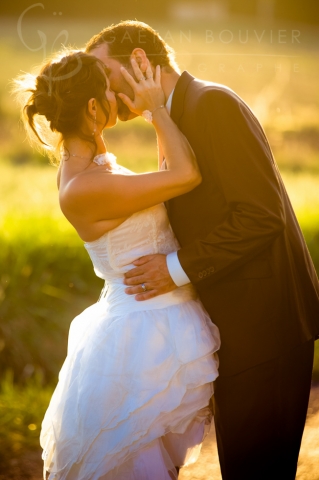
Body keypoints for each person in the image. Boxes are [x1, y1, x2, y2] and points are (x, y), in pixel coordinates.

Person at [86, 21, 319, 480]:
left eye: (104, 73)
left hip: (266, 325)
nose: (102, 89)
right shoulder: (172, 116)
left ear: (139, 61)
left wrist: (173, 268)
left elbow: (260, 214)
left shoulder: (212, 103)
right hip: (236, 325)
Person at [15, 50, 221, 479]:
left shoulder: (93, 161)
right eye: (109, 87)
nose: (120, 92)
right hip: (140, 339)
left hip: (156, 320)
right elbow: (185, 176)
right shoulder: (85, 186)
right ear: (93, 108)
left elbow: (162, 178)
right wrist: (158, 110)